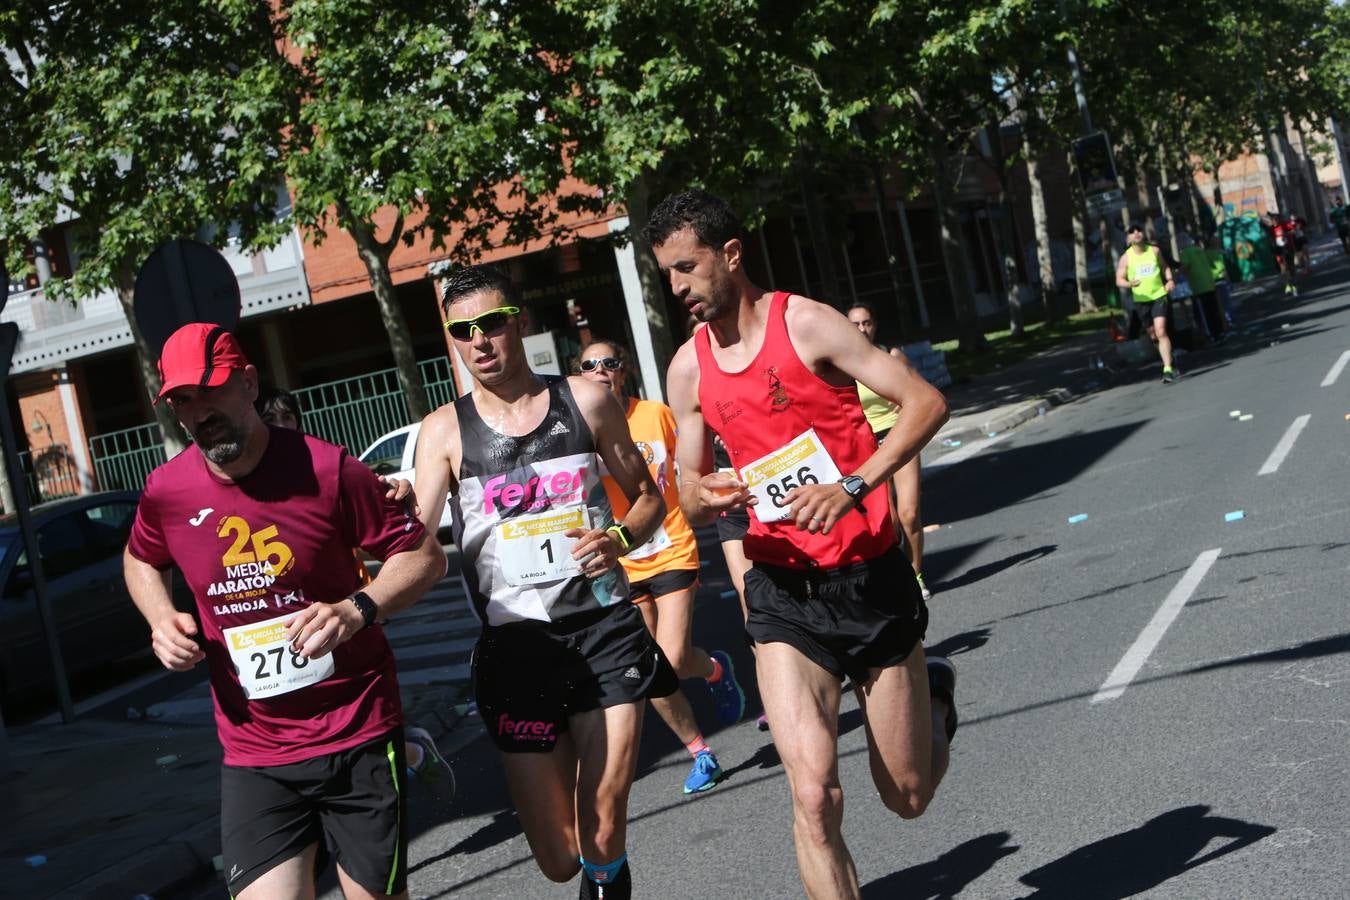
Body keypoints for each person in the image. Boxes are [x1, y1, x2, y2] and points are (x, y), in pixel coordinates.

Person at [651, 189, 957, 900]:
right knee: (814, 795)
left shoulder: (809, 324)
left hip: (869, 577)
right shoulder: (688, 368)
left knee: (908, 795)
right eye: (667, 274)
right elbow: (688, 491)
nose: (678, 287)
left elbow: (925, 403)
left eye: (687, 267)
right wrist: (706, 495)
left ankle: (935, 699)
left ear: (731, 254)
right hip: (782, 591)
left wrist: (854, 485)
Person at [123, 323, 448, 900]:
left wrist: (358, 608)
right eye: (183, 400)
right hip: (256, 751)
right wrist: (159, 618)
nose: (200, 411)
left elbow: (424, 557)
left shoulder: (328, 470)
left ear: (249, 384)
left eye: (211, 390)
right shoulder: (167, 491)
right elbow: (140, 558)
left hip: (356, 732)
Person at [412, 265, 678, 899]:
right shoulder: (443, 431)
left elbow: (647, 498)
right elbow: (413, 544)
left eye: (491, 324)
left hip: (605, 630)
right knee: (560, 859)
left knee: (603, 824)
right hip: (517, 649)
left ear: (521, 323)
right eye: (462, 331)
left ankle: (606, 878)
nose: (479, 341)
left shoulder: (586, 400)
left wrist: (618, 540)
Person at [255, 387, 457, 801]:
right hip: (274, 633)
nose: (281, 428)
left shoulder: (325, 471)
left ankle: (409, 754)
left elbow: (387, 539)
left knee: (357, 731)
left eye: (287, 419)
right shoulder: (239, 488)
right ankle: (405, 753)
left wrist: (395, 498)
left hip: (346, 616)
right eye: (270, 420)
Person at [577, 339, 746, 793]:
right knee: (648, 665)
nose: (600, 370)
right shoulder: (583, 431)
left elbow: (692, 464)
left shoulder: (656, 415)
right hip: (621, 561)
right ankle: (700, 752)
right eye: (589, 365)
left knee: (670, 657)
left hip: (673, 547)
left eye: (609, 363)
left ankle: (713, 670)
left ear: (623, 371)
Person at [845, 301, 932, 601]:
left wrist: (909, 415)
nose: (862, 329)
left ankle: (916, 576)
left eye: (866, 323)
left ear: (875, 325)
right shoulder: (842, 364)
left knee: (909, 513)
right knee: (889, 522)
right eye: (855, 324)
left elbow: (922, 394)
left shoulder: (891, 356)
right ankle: (898, 577)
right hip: (868, 446)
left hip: (900, 437)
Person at [1115, 224, 1180, 383]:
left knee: (1160, 330)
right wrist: (1129, 284)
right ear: (1128, 238)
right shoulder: (1126, 258)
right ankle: (1169, 359)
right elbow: (1119, 280)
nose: (1136, 233)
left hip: (1159, 295)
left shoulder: (1154, 251)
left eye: (1139, 230)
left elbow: (1165, 267)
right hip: (1141, 301)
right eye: (1132, 232)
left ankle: (1167, 369)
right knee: (1153, 335)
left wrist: (1170, 280)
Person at [1178, 236, 1225, 342]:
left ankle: (1212, 335)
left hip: (1198, 286)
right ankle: (1220, 331)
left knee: (1205, 313)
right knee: (1214, 310)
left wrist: (1178, 274)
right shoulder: (1199, 250)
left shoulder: (1185, 252)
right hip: (1209, 283)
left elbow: (1186, 265)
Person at [1270, 212, 1299, 297]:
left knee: (1291, 267)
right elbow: (1271, 239)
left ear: (1278, 219)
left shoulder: (1284, 225)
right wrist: (1273, 246)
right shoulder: (1271, 229)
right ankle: (1288, 285)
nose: (1275, 221)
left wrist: (1285, 234)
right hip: (1279, 250)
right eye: (1273, 220)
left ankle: (1293, 282)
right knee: (1283, 268)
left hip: (1288, 248)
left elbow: (1293, 231)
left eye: (1276, 219)